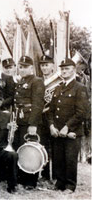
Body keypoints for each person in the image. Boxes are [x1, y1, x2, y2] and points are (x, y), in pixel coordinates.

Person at [47, 58, 89, 193]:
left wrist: (67, 127)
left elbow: (82, 112)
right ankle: (60, 182)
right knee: (58, 157)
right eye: (62, 69)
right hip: (57, 130)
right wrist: (52, 126)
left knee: (70, 158)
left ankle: (70, 185)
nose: (64, 71)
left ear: (74, 70)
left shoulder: (80, 88)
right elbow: (51, 110)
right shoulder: (59, 88)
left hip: (72, 131)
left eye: (67, 69)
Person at [13, 56, 45, 189]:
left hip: (29, 122)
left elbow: (38, 104)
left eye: (25, 67)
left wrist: (33, 124)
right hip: (19, 120)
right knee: (21, 149)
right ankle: (22, 178)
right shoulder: (21, 81)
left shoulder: (37, 81)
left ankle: (31, 182)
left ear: (32, 68)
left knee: (31, 151)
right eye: (20, 67)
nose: (22, 69)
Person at [38, 55, 55, 181]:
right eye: (42, 65)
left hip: (54, 116)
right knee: (43, 145)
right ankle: (44, 175)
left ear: (52, 66)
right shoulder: (38, 81)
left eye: (47, 65)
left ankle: (56, 175)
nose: (44, 67)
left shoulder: (58, 80)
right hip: (41, 116)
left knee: (55, 147)